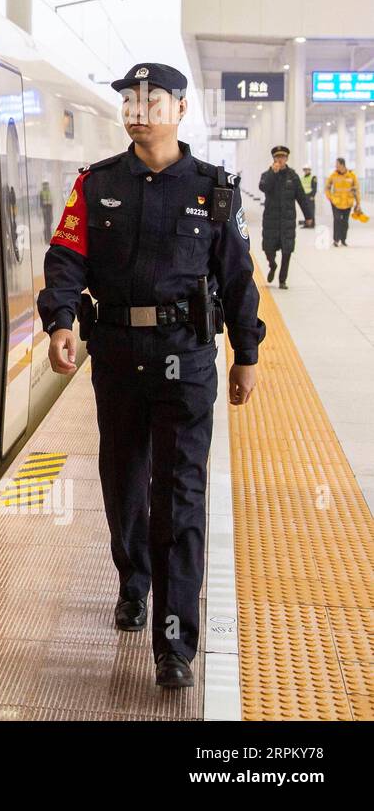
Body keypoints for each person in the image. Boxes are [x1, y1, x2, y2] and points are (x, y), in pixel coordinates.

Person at [36, 62, 264, 689]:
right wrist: (60, 320)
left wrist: (246, 352)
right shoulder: (96, 184)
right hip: (116, 356)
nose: (138, 109)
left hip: (186, 360)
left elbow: (239, 278)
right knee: (124, 480)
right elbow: (66, 258)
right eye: (130, 100)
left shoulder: (214, 189)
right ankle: (133, 583)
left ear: (180, 109)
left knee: (180, 494)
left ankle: (175, 642)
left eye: (152, 99)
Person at [258, 145, 312, 289]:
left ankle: (282, 280)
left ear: (287, 158)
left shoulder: (293, 176)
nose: (280, 159)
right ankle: (272, 265)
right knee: (268, 249)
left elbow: (301, 197)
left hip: (287, 221)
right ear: (274, 159)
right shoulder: (267, 174)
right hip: (271, 220)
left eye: (282, 157)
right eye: (277, 157)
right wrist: (273, 173)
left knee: (287, 251)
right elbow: (263, 187)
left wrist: (309, 216)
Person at [326, 157, 361, 247]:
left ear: (342, 165)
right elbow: (327, 187)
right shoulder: (333, 175)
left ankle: (343, 239)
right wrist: (330, 197)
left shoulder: (351, 175)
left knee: (345, 222)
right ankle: (336, 240)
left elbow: (356, 190)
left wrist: (358, 203)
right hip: (336, 202)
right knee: (337, 220)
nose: (335, 166)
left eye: (337, 164)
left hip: (348, 203)